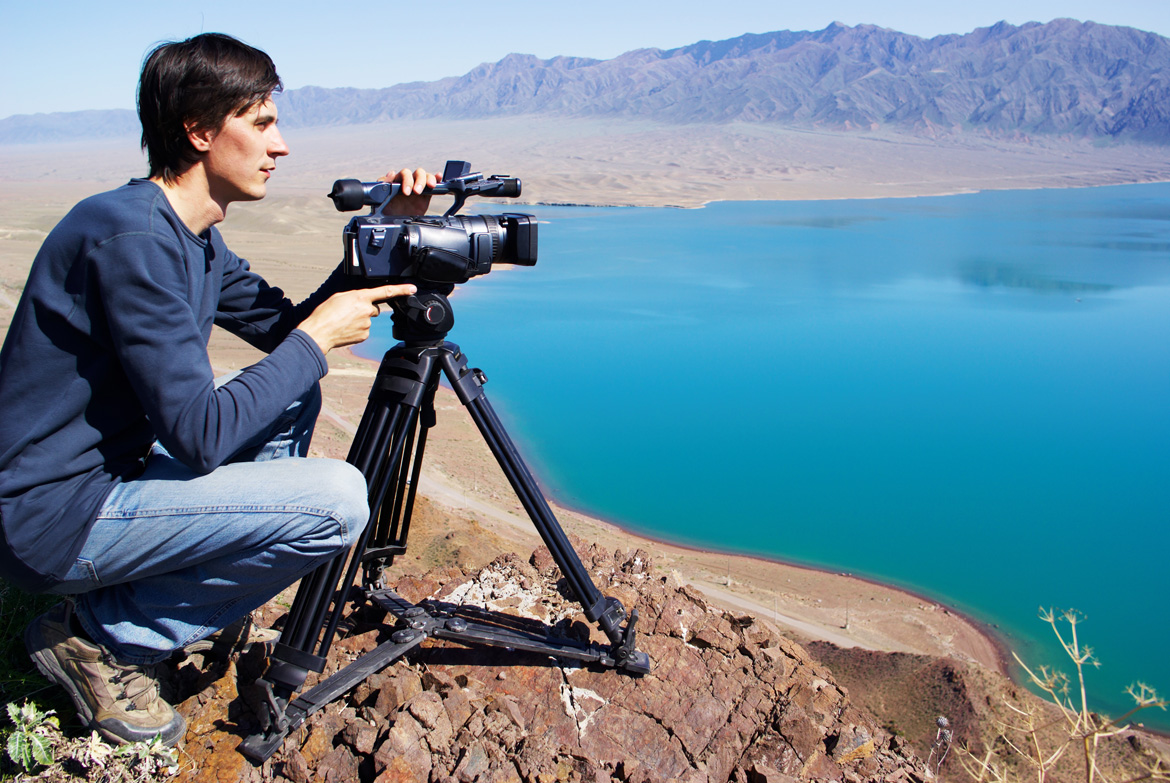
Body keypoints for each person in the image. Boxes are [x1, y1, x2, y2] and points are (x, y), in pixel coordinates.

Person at [0, 33, 436, 746]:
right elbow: (201, 433)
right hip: (51, 520)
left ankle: (185, 601)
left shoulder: (191, 235)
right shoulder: (133, 239)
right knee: (336, 503)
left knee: (292, 392)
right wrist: (314, 340)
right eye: (260, 122)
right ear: (199, 131)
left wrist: (386, 236)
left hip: (109, 482)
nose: (281, 145)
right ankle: (99, 636)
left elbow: (285, 327)